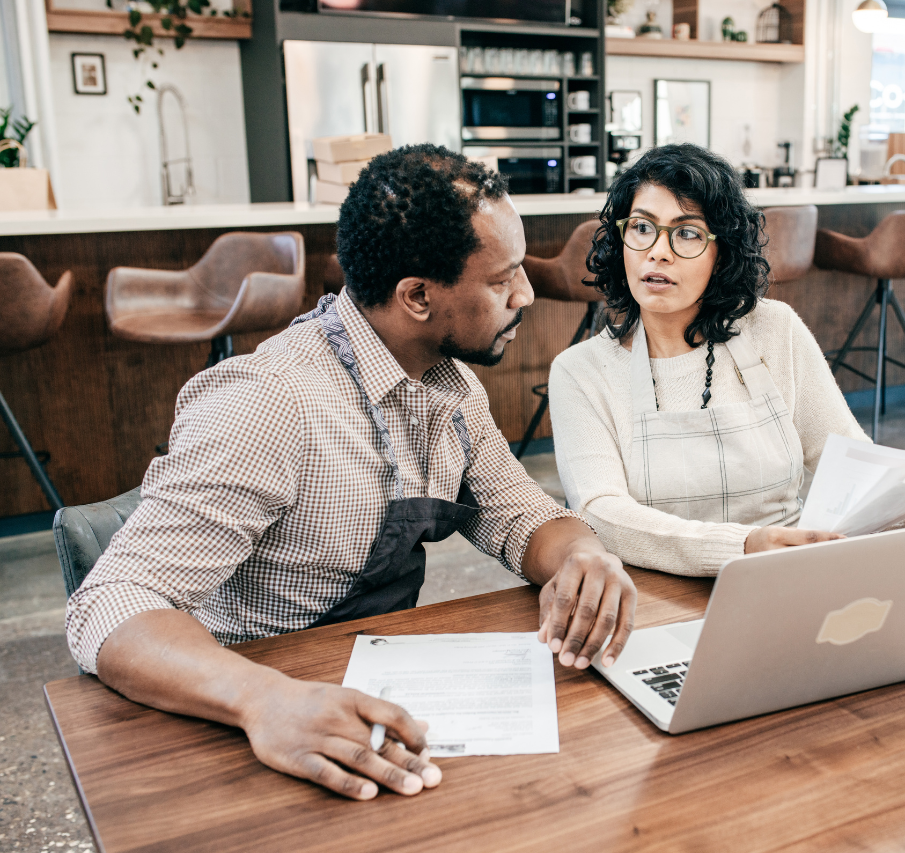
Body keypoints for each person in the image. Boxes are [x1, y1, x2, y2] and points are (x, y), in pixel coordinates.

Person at [65, 145, 635, 801]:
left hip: (376, 703)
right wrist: (260, 699)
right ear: (417, 295)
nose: (527, 293)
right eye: (504, 277)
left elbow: (518, 515)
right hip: (249, 719)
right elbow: (108, 603)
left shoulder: (451, 388)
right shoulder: (269, 401)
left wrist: (582, 554)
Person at [548, 144, 905, 576]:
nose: (658, 251)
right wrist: (743, 545)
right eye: (641, 228)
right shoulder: (580, 372)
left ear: (722, 253)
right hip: (653, 590)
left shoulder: (775, 328)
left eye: (688, 233)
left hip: (789, 575)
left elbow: (843, 455)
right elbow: (602, 513)